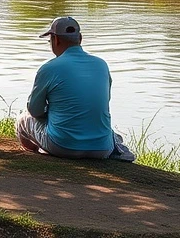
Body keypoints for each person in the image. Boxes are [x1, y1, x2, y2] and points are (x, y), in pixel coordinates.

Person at [16, 16, 129, 160]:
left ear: (56, 40)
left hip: (62, 147)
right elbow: (101, 101)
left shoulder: (49, 68)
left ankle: (37, 156)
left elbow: (34, 110)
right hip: (102, 149)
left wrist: (50, 111)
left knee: (23, 118)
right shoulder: (101, 65)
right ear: (80, 38)